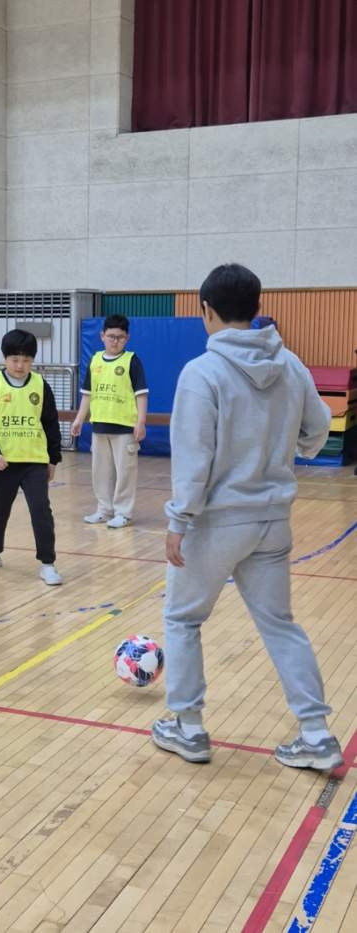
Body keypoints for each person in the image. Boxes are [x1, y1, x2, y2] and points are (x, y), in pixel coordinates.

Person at [152, 264, 343, 771]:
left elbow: (193, 458)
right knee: (280, 625)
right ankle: (316, 734)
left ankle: (188, 727)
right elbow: (319, 426)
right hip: (272, 520)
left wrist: (179, 520)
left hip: (216, 523)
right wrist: (294, 450)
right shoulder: (292, 364)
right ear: (256, 307)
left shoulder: (202, 372)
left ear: (206, 311)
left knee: (182, 618)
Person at [0, 328, 63, 585]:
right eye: (15, 359)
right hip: (3, 463)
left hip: (34, 462)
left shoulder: (40, 385)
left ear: (32, 360)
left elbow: (51, 424)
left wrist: (52, 459)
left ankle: (48, 563)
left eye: (26, 360)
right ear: (4, 358)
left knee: (41, 512)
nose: (20, 365)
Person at [71, 314, 148, 528]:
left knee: (125, 472)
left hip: (125, 428)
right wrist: (79, 419)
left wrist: (140, 422)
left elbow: (141, 394)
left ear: (127, 338)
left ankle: (123, 512)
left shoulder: (132, 360)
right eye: (111, 336)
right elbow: (87, 394)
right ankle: (104, 510)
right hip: (100, 426)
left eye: (120, 337)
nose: (115, 341)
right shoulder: (95, 360)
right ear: (102, 336)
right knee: (100, 471)